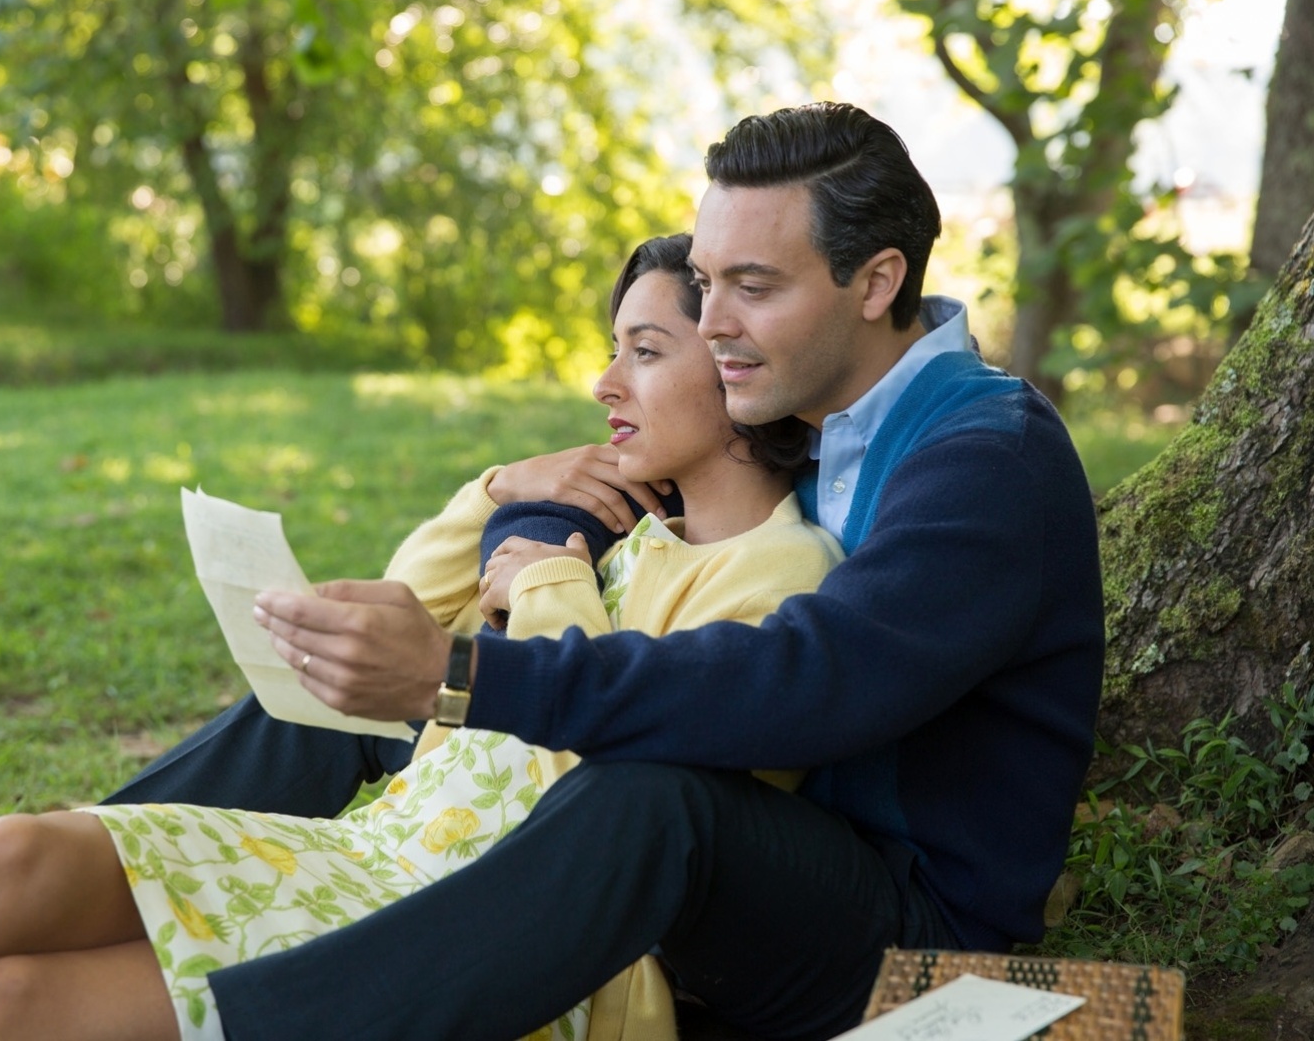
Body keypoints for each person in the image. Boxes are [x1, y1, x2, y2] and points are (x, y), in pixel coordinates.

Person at [0, 234, 843, 1041]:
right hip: (371, 856)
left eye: (643, 352)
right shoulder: (628, 530)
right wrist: (506, 484)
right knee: (19, 849)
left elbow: (617, 817)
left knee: (13, 1004)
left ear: (736, 364)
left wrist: (546, 586)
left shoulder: (785, 576)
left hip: (490, 933)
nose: (604, 382)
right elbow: (409, 601)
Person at [235, 102, 1104, 1039]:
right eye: (705, 282)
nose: (715, 323)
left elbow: (810, 679)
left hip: (912, 941)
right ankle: (119, 864)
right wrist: (512, 533)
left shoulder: (984, 457)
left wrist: (464, 675)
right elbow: (573, 508)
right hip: (771, 839)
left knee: (646, 803)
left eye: (755, 287)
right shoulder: (807, 413)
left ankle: (268, 1022)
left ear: (875, 280)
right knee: (350, 692)